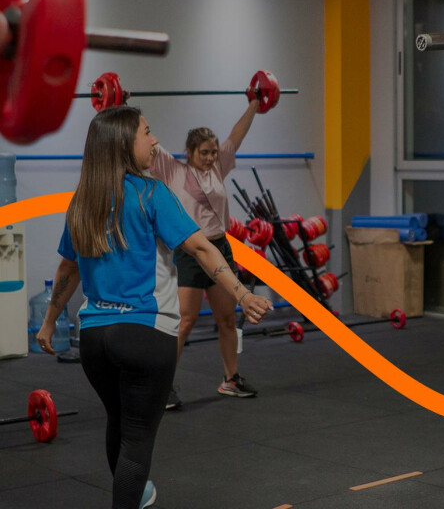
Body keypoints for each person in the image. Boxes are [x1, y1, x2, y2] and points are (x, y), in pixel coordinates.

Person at [35, 106, 272, 509]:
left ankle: (136, 494)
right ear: (123, 144)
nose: (155, 140)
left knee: (119, 422)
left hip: (94, 340)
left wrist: (48, 323)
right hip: (144, 335)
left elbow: (67, 270)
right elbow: (201, 248)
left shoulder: (82, 202)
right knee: (138, 436)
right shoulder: (151, 193)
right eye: (147, 132)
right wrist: (242, 294)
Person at [149, 95, 264, 408]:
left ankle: (231, 379)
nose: (211, 157)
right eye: (204, 152)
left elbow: (237, 135)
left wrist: (254, 103)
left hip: (220, 248)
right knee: (185, 321)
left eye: (214, 151)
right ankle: (162, 387)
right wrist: (119, 107)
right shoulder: (172, 170)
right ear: (189, 152)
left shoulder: (219, 166)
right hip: (190, 252)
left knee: (226, 319)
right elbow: (147, 139)